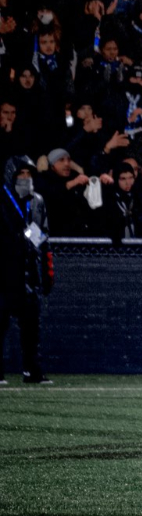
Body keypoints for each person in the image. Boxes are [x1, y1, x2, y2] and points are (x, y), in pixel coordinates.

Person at [0, 156, 53, 385]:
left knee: (31, 327)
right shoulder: (1, 199)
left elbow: (43, 234)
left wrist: (45, 271)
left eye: (29, 174)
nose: (25, 178)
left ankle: (32, 371)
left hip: (28, 272)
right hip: (3, 271)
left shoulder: (37, 201)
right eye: (21, 174)